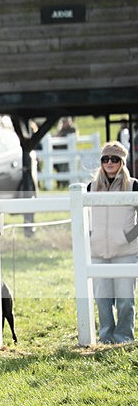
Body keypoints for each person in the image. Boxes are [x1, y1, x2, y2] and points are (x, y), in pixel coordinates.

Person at [87, 141, 138, 344]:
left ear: (122, 162)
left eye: (114, 159)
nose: (109, 162)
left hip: (125, 251)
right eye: (105, 159)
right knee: (103, 299)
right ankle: (106, 337)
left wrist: (128, 237)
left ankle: (124, 337)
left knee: (125, 299)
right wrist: (91, 235)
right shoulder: (90, 187)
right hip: (97, 251)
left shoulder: (133, 185)